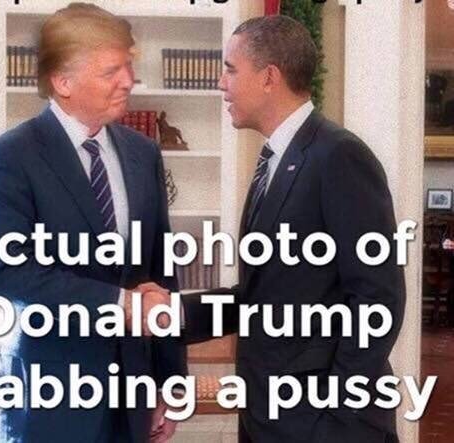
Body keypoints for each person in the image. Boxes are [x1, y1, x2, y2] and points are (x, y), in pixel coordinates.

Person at [145, 15, 406, 443]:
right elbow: (259, 298)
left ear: (269, 77)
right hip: (267, 417)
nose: (221, 83)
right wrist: (170, 313)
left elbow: (378, 300)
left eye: (231, 70)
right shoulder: (276, 159)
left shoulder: (339, 156)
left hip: (322, 426)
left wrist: (336, 419)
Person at [0, 3, 186, 442]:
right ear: (63, 81)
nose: (128, 80)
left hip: (130, 396)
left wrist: (169, 383)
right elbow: (7, 271)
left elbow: (161, 274)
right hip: (46, 398)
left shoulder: (143, 153)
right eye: (111, 71)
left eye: (128, 67)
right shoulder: (10, 157)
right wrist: (120, 303)